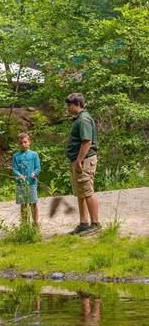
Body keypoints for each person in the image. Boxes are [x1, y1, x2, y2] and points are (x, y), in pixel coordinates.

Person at [65, 93, 101, 235]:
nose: (67, 108)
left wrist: (79, 160)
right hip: (78, 161)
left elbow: (87, 142)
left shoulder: (84, 119)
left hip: (84, 161)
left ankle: (95, 223)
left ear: (78, 104)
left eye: (69, 105)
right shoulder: (78, 119)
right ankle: (83, 223)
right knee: (80, 193)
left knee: (87, 191)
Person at [12, 133, 41, 225]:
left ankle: (35, 222)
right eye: (21, 143)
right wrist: (19, 175)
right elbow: (14, 169)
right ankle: (24, 224)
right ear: (18, 144)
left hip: (31, 183)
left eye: (25, 142)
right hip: (20, 184)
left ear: (29, 142)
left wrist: (34, 173)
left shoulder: (34, 154)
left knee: (33, 203)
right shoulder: (16, 156)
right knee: (23, 204)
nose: (23, 144)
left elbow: (38, 167)